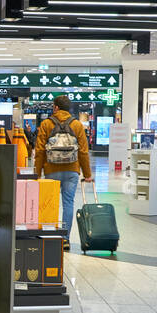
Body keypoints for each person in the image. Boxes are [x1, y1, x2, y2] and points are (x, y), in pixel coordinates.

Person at [34, 94, 92, 251]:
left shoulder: (46, 124)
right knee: (68, 203)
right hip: (71, 170)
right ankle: (65, 239)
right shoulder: (77, 125)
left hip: (51, 170)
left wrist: (36, 173)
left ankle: (48, 234)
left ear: (56, 107)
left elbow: (39, 151)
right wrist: (87, 174)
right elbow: (84, 151)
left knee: (50, 204)